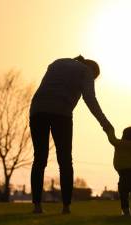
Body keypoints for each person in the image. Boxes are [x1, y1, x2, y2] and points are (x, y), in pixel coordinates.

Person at [29, 55, 113, 214]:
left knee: (39, 158)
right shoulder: (86, 72)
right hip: (62, 113)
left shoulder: (57, 62)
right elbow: (90, 99)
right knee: (65, 160)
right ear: (93, 72)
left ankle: (37, 206)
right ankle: (66, 206)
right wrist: (105, 124)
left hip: (37, 109)